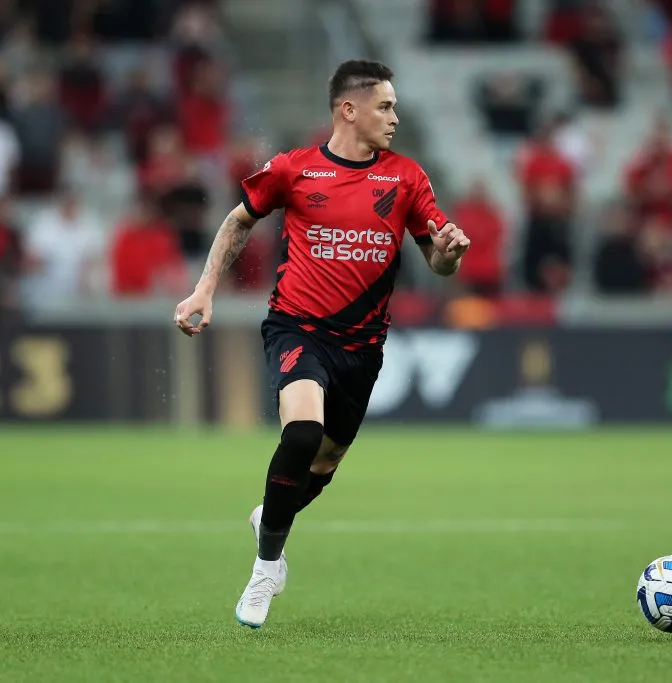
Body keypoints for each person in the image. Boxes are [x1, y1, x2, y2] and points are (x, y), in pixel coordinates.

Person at [172, 60, 471, 629]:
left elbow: (438, 260)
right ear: (348, 109)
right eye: (385, 106)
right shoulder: (295, 169)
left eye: (396, 106)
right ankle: (267, 567)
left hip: (364, 345)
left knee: (327, 459)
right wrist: (203, 290)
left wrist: (449, 255)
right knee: (303, 433)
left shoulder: (406, 178)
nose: (395, 117)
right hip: (298, 327)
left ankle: (273, 517)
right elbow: (237, 222)